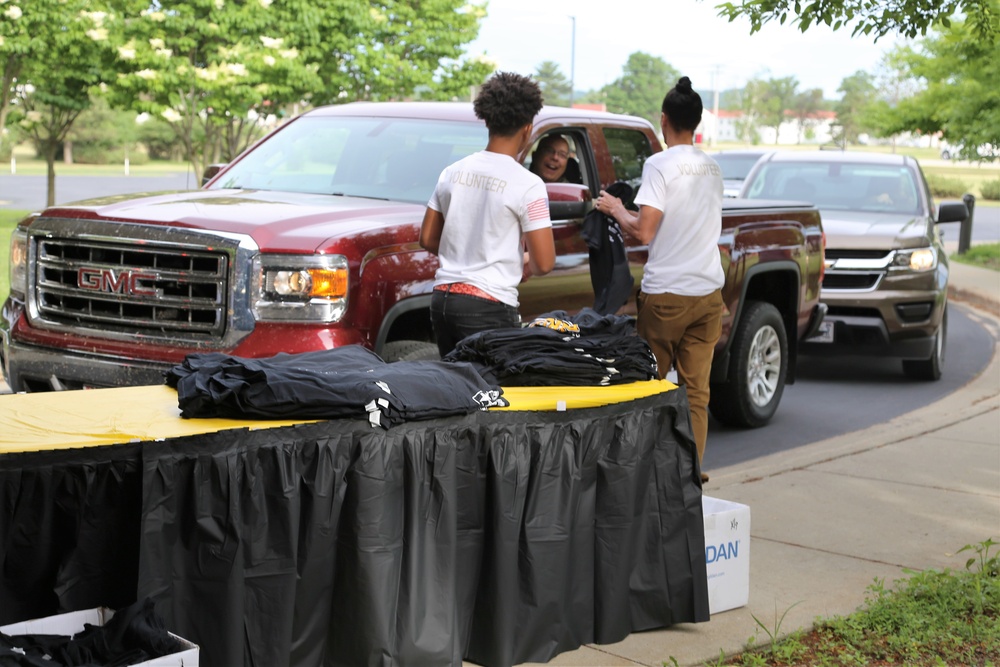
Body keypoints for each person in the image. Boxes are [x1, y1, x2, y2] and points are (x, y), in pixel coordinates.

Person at [594, 76, 724, 480]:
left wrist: (615, 208)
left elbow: (644, 230)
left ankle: (645, 475)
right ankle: (692, 472)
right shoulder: (711, 166)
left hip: (667, 295)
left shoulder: (659, 165)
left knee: (649, 387)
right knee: (696, 393)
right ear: (696, 123)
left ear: (664, 120)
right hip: (708, 294)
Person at [419, 72, 556, 357]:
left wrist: (467, 256)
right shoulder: (528, 184)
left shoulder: (452, 172)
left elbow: (428, 238)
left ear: (487, 120)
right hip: (490, 305)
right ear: (528, 128)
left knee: (455, 390)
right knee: (496, 395)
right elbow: (544, 263)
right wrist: (511, 260)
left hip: (442, 299)